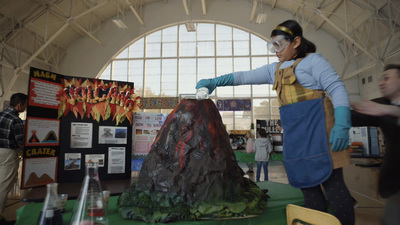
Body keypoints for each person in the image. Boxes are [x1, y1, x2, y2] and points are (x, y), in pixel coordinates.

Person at [196, 20, 355, 225]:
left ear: (296, 41)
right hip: (297, 138)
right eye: (272, 46)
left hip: (322, 134)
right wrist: (215, 81)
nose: (275, 51)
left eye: (278, 45)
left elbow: (337, 88)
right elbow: (244, 76)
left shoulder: (314, 62)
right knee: (308, 188)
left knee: (334, 188)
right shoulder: (275, 69)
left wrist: (342, 124)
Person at [351, 64, 400, 225]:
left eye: (387, 78)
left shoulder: (384, 108)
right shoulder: (380, 104)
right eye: (380, 79)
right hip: (396, 184)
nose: (381, 83)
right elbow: (355, 116)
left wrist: (392, 111)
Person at [0, 93, 27, 223]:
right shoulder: (15, 119)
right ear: (19, 105)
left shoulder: (1, 114)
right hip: (8, 153)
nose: (25, 107)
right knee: (4, 185)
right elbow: (21, 140)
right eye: (25, 104)